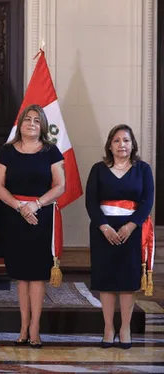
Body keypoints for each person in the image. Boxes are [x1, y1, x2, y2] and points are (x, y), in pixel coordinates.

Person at [0, 104, 65, 348]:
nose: (31, 123)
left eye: (36, 120)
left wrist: (35, 205)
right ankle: (23, 325)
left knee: (37, 276)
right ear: (20, 124)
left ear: (42, 126)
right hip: (14, 218)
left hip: (41, 218)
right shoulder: (7, 152)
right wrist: (19, 207)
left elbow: (60, 185)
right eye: (27, 119)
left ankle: (36, 327)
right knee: (21, 277)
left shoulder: (51, 151)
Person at [85, 124, 154, 349]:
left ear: (132, 144)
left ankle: (125, 327)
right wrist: (104, 227)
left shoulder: (143, 169)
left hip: (132, 232)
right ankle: (108, 328)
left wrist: (132, 225)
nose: (121, 144)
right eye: (116, 140)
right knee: (106, 282)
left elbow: (147, 202)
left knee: (127, 282)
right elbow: (91, 202)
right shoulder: (98, 169)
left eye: (126, 140)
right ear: (109, 145)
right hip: (103, 231)